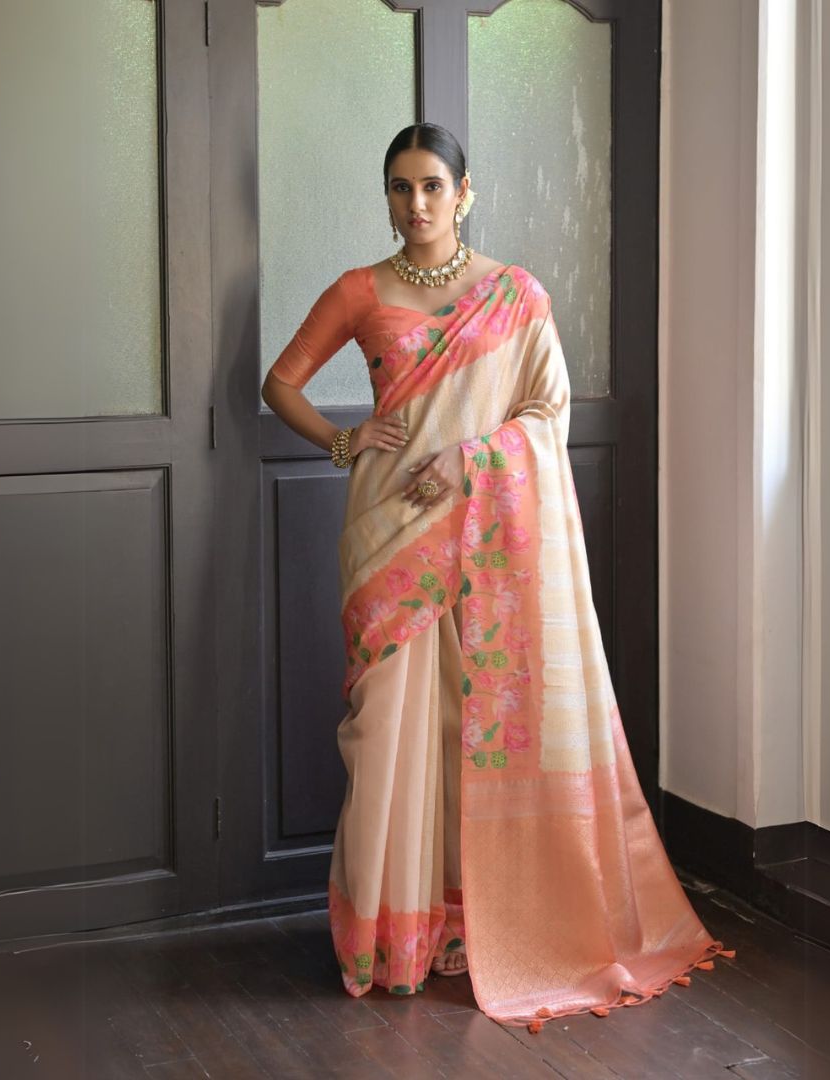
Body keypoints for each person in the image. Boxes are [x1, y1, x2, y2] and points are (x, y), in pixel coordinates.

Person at [261, 122, 733, 1031]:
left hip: (484, 533)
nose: (415, 204)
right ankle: (388, 940)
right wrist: (344, 440)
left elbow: (545, 412)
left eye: (433, 186)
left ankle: (467, 923)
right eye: (400, 188)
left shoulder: (514, 296)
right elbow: (284, 383)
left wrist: (473, 460)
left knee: (465, 722)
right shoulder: (360, 291)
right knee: (390, 731)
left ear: (464, 194)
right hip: (388, 529)